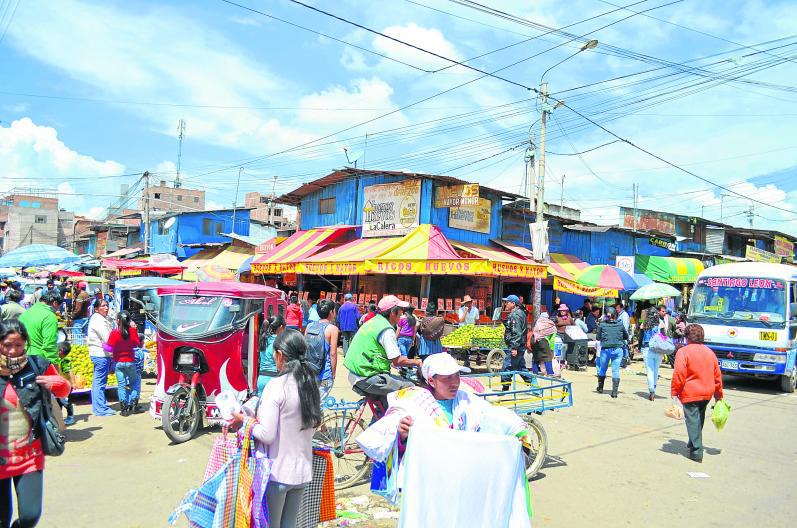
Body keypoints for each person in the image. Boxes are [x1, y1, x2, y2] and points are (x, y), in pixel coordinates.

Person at [230, 330, 322, 528]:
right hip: (303, 471)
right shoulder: (310, 385)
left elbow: (266, 434)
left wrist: (244, 420)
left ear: (280, 354)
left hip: (278, 473)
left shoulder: (276, 386)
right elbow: (312, 427)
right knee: (289, 524)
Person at [0, 319, 72, 528]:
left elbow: (64, 389)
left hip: (28, 456)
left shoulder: (36, 365)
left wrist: (58, 384)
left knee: (31, 516)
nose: (13, 351)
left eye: (18, 345)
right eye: (7, 345)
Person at [343, 295, 422, 407]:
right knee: (410, 387)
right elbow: (397, 361)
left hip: (356, 373)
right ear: (392, 313)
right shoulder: (387, 330)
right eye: (400, 311)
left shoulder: (373, 321)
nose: (402, 314)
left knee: (386, 402)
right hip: (367, 376)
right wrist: (417, 362)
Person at [671, 324, 724, 463]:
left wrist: (674, 392)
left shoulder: (683, 352)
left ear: (687, 337)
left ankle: (696, 451)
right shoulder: (709, 352)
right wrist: (719, 395)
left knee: (693, 420)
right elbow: (717, 375)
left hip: (691, 392)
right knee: (698, 418)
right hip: (707, 392)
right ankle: (692, 442)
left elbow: (679, 374)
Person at [104, 310, 141, 416]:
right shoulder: (132, 331)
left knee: (121, 385)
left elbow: (109, 348)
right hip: (130, 362)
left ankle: (124, 409)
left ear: (118, 320)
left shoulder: (114, 332)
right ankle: (134, 405)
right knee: (134, 383)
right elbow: (137, 344)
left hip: (118, 363)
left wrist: (101, 344)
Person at [304, 299, 338, 401]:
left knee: (310, 400)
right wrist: (333, 373)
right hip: (325, 375)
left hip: (310, 371)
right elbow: (333, 354)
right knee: (319, 402)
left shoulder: (310, 326)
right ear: (331, 312)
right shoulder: (332, 329)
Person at [18, 291, 62, 368]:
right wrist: (55, 365)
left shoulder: (27, 312)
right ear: (55, 303)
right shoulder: (49, 316)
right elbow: (49, 344)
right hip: (38, 360)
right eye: (59, 306)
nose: (58, 309)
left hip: (21, 356)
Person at [87, 298, 115, 416]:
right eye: (103, 306)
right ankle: (100, 408)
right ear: (96, 309)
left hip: (100, 354)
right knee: (100, 382)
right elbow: (108, 338)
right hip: (100, 354)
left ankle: (100, 406)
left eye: (107, 305)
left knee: (98, 382)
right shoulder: (98, 320)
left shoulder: (101, 319)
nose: (106, 308)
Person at [595, 307, 629, 398]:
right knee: (615, 370)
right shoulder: (620, 324)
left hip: (605, 350)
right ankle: (614, 392)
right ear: (615, 315)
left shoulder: (602, 324)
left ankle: (600, 388)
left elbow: (598, 338)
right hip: (618, 350)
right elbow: (626, 336)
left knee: (603, 369)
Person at [501, 295, 528, 390]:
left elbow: (517, 333)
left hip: (516, 346)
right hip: (519, 345)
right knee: (521, 368)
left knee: (507, 367)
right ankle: (534, 386)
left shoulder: (515, 315)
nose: (505, 304)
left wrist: (514, 347)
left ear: (513, 303)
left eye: (507, 302)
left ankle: (505, 389)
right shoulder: (520, 313)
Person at [257, 315, 286, 395]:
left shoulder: (264, 338)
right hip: (273, 379)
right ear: (280, 327)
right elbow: (280, 363)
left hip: (261, 379)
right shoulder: (278, 341)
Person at [56, 340, 76, 426]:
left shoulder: (65, 361)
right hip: (59, 385)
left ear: (60, 351)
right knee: (58, 402)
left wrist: (73, 383)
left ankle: (70, 417)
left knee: (65, 401)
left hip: (66, 385)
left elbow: (70, 372)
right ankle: (59, 417)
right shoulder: (58, 360)